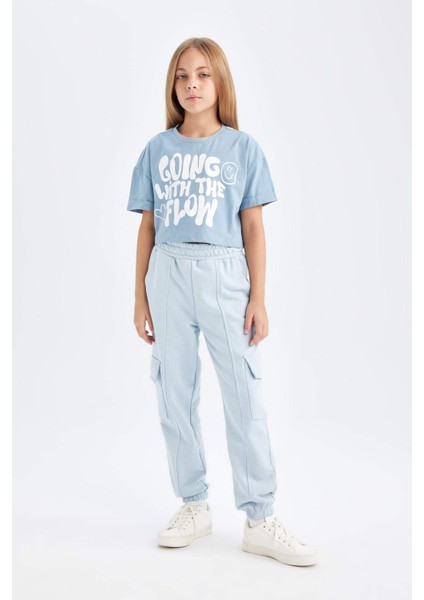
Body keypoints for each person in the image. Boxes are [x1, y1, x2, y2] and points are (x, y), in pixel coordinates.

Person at [127, 37, 318, 567]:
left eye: (203, 75)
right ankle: (193, 504)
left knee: (244, 395)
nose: (192, 84)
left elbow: (253, 227)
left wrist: (259, 297)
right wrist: (139, 295)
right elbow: (147, 227)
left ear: (219, 82)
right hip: (168, 273)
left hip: (225, 274)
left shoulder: (243, 149)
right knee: (174, 392)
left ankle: (260, 517)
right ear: (173, 86)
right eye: (182, 76)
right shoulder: (157, 150)